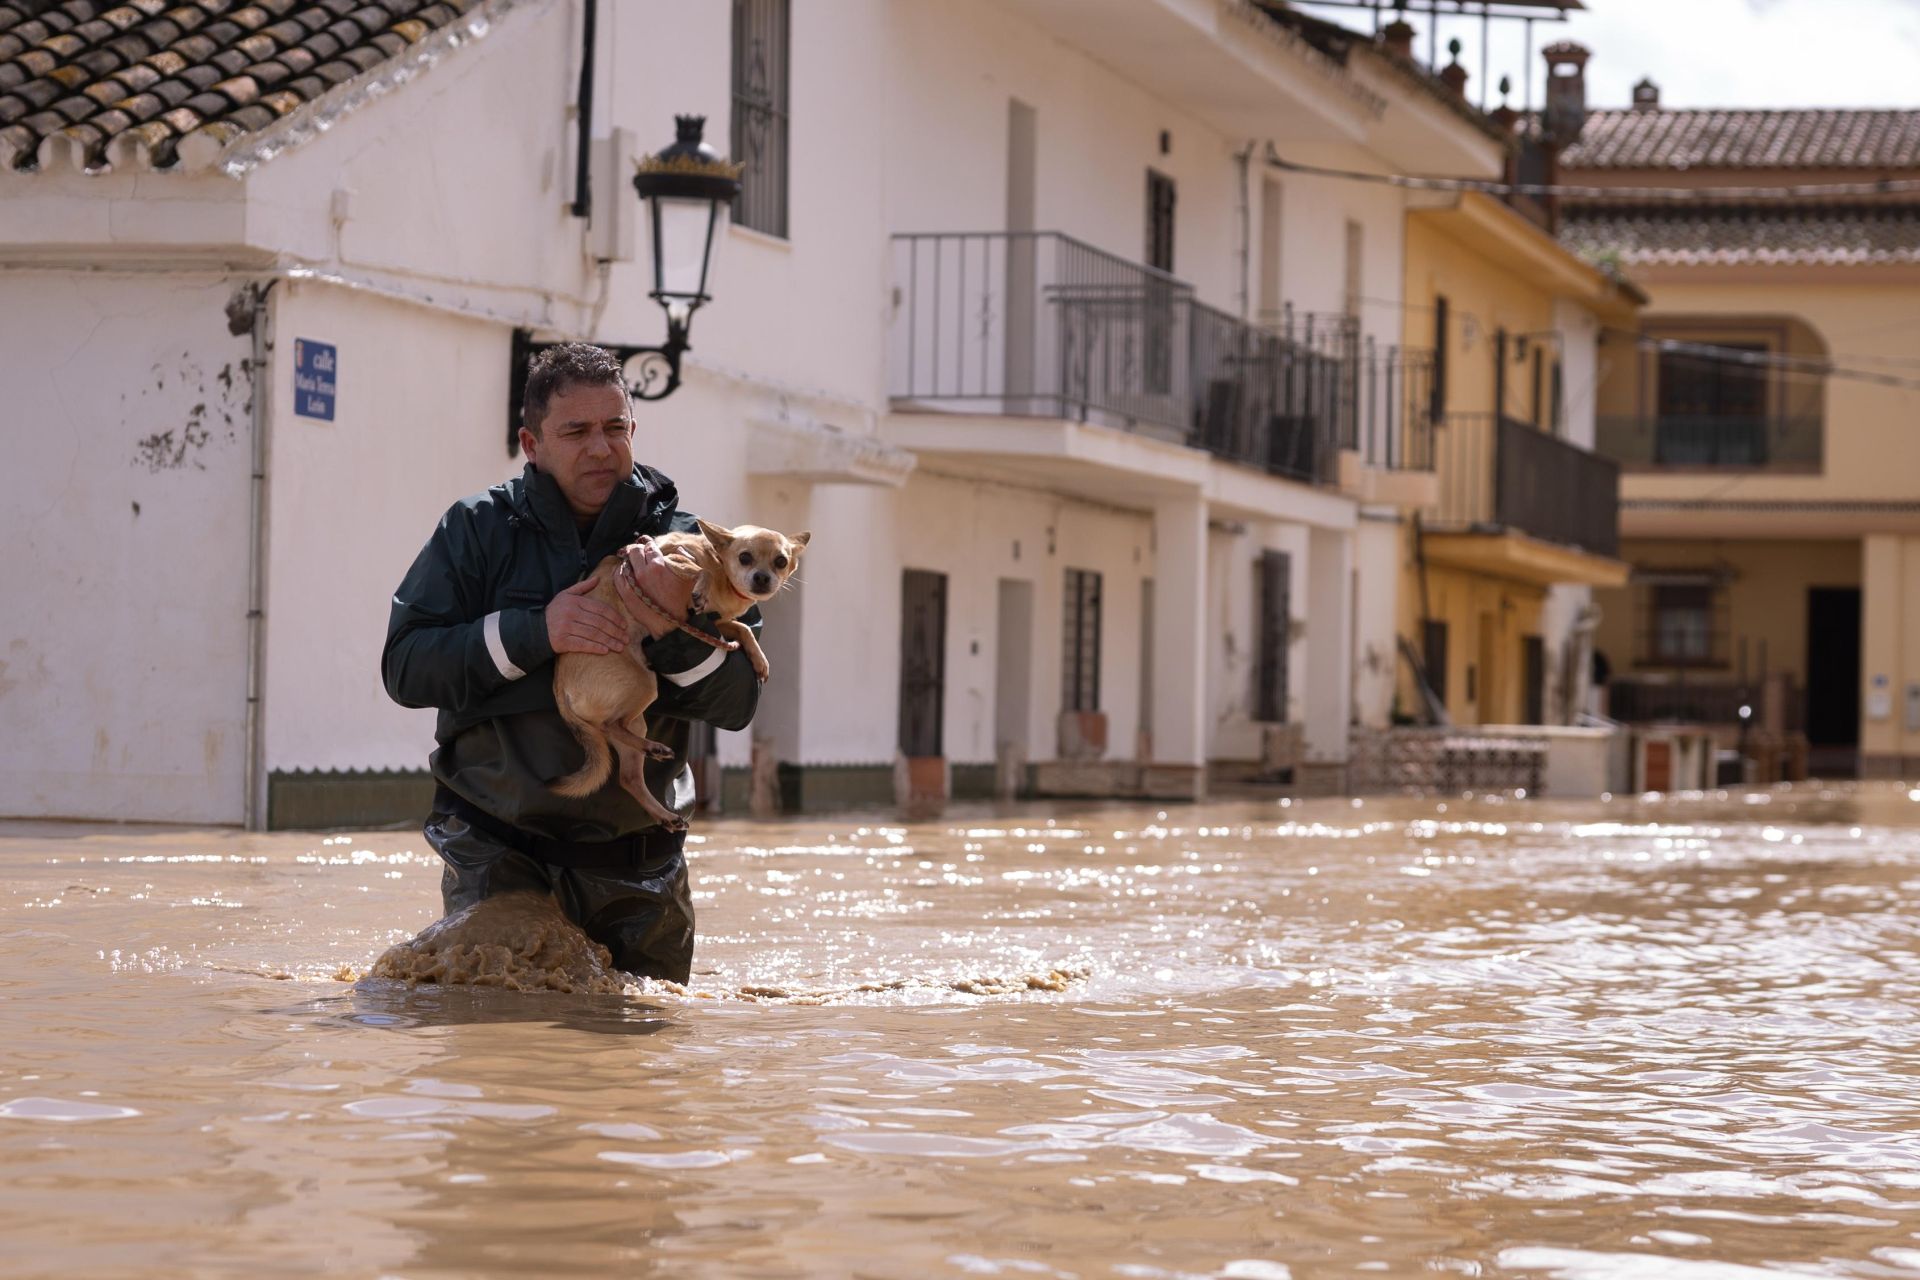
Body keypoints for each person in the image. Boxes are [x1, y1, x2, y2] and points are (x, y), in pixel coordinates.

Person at [382, 342, 760, 982]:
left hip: (642, 864)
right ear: (531, 443)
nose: (600, 448)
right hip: (496, 853)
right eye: (576, 431)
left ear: (633, 431)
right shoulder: (477, 529)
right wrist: (537, 632)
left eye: (615, 428)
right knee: (502, 1053)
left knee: (635, 1068)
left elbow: (738, 704)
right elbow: (406, 668)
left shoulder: (695, 544)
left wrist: (672, 623)